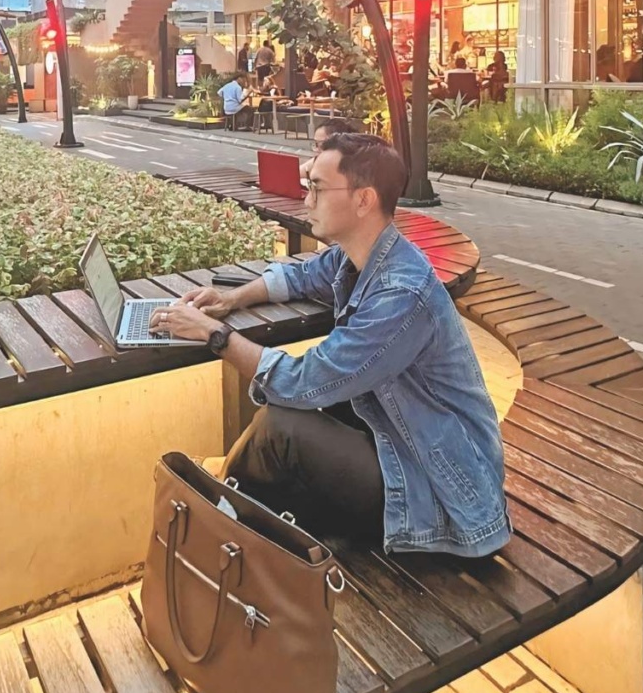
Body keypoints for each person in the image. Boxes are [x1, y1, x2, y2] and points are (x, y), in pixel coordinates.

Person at [150, 134, 510, 555]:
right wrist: (231, 299)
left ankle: (215, 530)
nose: (306, 201)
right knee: (284, 442)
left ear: (363, 200)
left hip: (442, 491)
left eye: (317, 188)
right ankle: (233, 527)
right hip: (396, 441)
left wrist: (215, 335)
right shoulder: (358, 255)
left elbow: (305, 380)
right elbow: (301, 277)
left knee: (280, 430)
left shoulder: (401, 293)